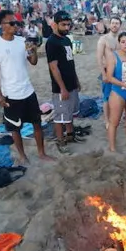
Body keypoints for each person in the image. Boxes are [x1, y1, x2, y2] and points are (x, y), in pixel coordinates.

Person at [0, 10, 53, 163]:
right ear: (1, 25)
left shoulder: (21, 41)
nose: (15, 25)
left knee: (37, 124)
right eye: (11, 23)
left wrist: (34, 51)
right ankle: (23, 156)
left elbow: (33, 61)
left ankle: (41, 153)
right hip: (11, 94)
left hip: (28, 90)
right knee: (15, 128)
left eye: (16, 22)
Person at [45, 11, 82, 152]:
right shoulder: (52, 42)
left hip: (71, 82)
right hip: (61, 87)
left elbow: (70, 63)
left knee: (70, 112)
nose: (67, 27)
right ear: (55, 24)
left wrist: (76, 81)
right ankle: (60, 140)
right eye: (63, 25)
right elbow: (54, 68)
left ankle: (71, 135)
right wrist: (62, 88)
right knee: (60, 116)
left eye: (68, 25)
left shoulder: (66, 40)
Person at [105, 32, 126, 152]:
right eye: (123, 42)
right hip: (118, 91)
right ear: (119, 43)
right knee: (114, 122)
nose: (125, 44)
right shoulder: (113, 56)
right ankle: (113, 148)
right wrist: (123, 84)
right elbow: (109, 77)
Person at [96, 16, 122, 129]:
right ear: (109, 25)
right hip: (108, 71)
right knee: (106, 97)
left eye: (117, 23)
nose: (114, 25)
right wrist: (103, 73)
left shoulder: (122, 39)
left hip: (119, 71)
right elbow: (99, 58)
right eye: (113, 23)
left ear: (120, 25)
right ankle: (107, 120)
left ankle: (117, 117)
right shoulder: (104, 39)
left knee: (119, 96)